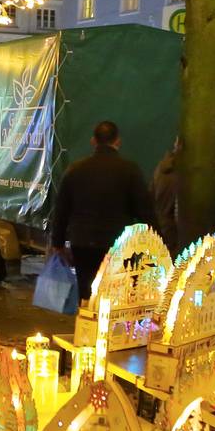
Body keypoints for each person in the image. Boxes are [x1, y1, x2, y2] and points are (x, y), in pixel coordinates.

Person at [50, 120, 153, 302]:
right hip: (117, 244)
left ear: (93, 141)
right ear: (118, 141)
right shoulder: (130, 170)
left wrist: (57, 243)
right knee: (114, 293)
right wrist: (155, 239)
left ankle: (86, 317)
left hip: (82, 242)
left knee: (86, 291)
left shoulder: (75, 170)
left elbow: (62, 209)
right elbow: (145, 210)